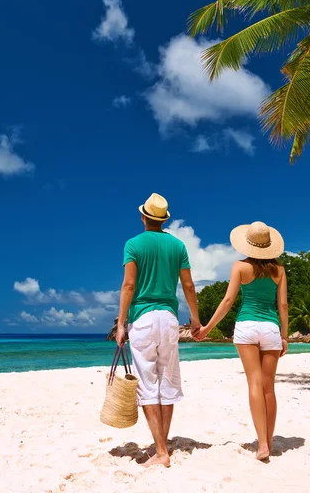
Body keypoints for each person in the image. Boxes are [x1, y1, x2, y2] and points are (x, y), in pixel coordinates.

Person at [115, 193, 201, 468]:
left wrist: (121, 323)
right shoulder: (177, 245)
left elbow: (129, 286)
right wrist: (196, 320)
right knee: (168, 382)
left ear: (143, 217)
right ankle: (161, 444)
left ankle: (161, 452)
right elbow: (188, 286)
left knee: (148, 384)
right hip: (169, 318)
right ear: (164, 220)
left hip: (143, 318)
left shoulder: (133, 244)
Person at [197, 221, 289, 462]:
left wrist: (207, 328)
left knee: (254, 385)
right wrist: (285, 336)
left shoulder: (239, 266)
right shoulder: (279, 270)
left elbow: (228, 301)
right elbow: (282, 305)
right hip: (270, 328)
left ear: (248, 244)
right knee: (269, 388)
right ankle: (268, 441)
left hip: (247, 327)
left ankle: (262, 446)